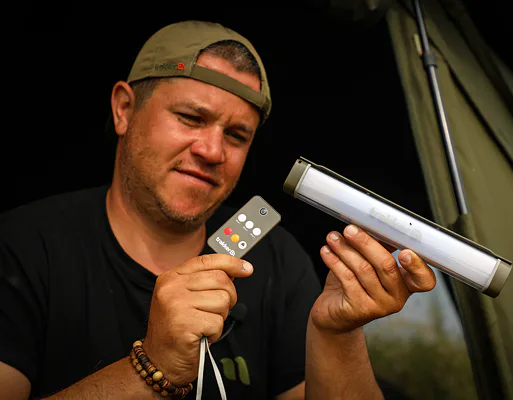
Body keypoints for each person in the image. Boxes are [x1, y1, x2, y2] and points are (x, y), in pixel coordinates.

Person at [0, 20, 436, 399]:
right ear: (124, 110)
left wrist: (337, 334)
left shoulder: (277, 259)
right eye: (191, 118)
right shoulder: (21, 247)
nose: (212, 151)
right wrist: (153, 368)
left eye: (237, 136)